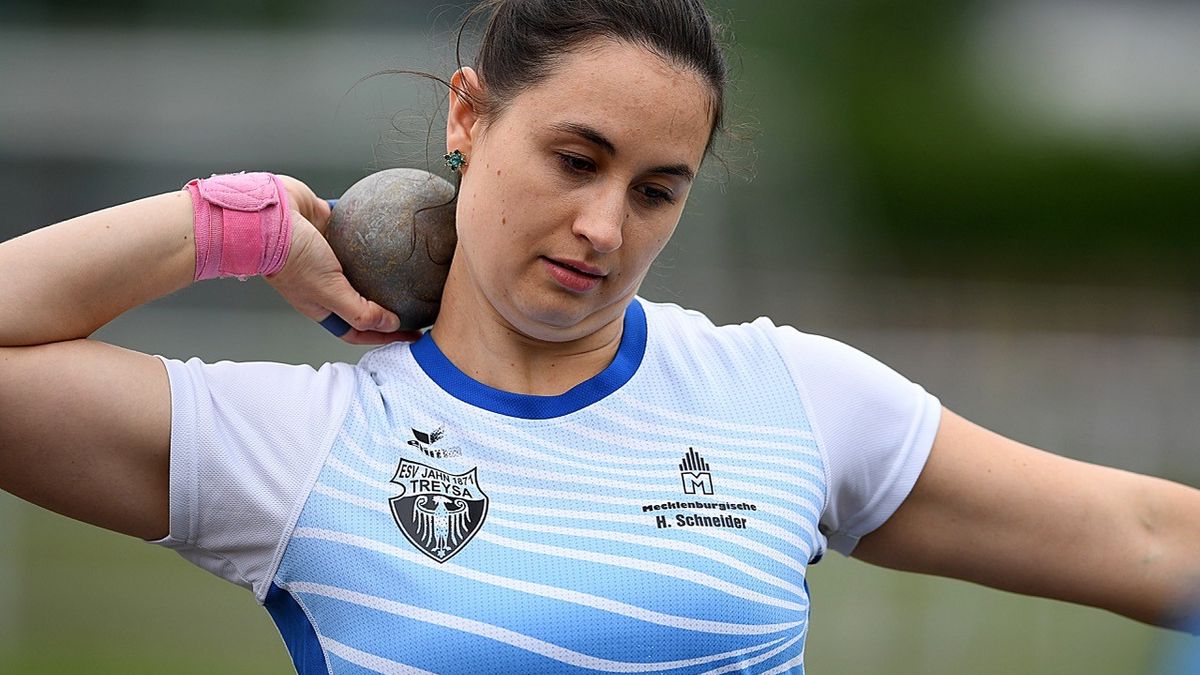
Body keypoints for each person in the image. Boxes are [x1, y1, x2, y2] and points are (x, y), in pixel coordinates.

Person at [1, 0, 1198, 673]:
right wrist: (235, 224)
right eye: (576, 160)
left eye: (656, 190)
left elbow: (1151, 535)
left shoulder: (790, 396)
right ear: (468, 117)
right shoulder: (298, 444)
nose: (604, 228)